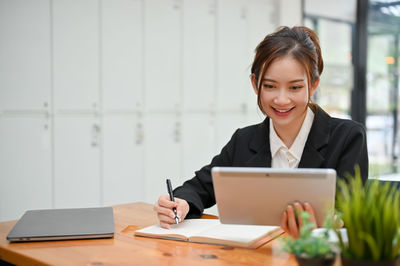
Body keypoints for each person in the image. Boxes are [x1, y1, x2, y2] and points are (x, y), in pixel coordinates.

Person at [153, 26, 368, 238]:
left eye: (295, 88)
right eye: (270, 86)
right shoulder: (244, 140)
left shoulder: (348, 138)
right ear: (255, 84)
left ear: (313, 85)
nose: (281, 100)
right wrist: (180, 203)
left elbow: (350, 216)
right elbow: (200, 186)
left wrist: (330, 223)